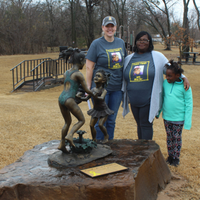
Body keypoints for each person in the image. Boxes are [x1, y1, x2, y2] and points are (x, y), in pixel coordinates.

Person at [122, 31, 190, 140]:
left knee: (146, 124)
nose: (142, 42)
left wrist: (183, 77)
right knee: (139, 125)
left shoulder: (157, 56)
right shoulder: (128, 59)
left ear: (150, 42)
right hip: (133, 100)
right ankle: (142, 150)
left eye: (145, 40)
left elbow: (171, 69)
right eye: (140, 40)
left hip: (149, 99)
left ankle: (147, 151)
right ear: (136, 42)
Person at [86, 16, 127, 141]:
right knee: (99, 118)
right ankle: (99, 146)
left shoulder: (120, 43)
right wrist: (88, 87)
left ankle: (110, 144)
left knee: (111, 120)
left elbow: (124, 63)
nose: (110, 28)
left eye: (112, 26)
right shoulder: (96, 44)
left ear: (115, 28)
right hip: (100, 89)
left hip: (117, 88)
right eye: (107, 26)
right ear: (103, 28)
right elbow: (89, 66)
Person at [58, 48, 94, 153]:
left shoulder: (66, 72)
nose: (84, 64)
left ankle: (62, 144)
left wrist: (79, 97)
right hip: (69, 100)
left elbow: (70, 87)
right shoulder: (78, 74)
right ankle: (70, 135)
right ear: (81, 60)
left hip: (61, 99)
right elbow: (86, 89)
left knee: (67, 122)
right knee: (81, 120)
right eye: (84, 61)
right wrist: (94, 93)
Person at [158, 60, 193, 166]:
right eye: (166, 75)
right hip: (167, 117)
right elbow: (162, 98)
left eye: (170, 76)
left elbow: (189, 103)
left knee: (176, 138)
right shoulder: (165, 83)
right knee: (169, 138)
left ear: (178, 75)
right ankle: (170, 156)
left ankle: (176, 157)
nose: (167, 78)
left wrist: (187, 121)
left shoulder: (185, 86)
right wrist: (158, 112)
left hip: (178, 118)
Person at [79, 69, 114, 143]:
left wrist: (95, 96)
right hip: (96, 110)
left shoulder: (104, 90)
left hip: (103, 110)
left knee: (100, 125)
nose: (96, 77)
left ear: (103, 80)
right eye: (95, 76)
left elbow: (101, 98)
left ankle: (106, 136)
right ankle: (94, 139)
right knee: (91, 125)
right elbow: (86, 98)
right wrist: (78, 97)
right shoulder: (92, 90)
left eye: (98, 76)